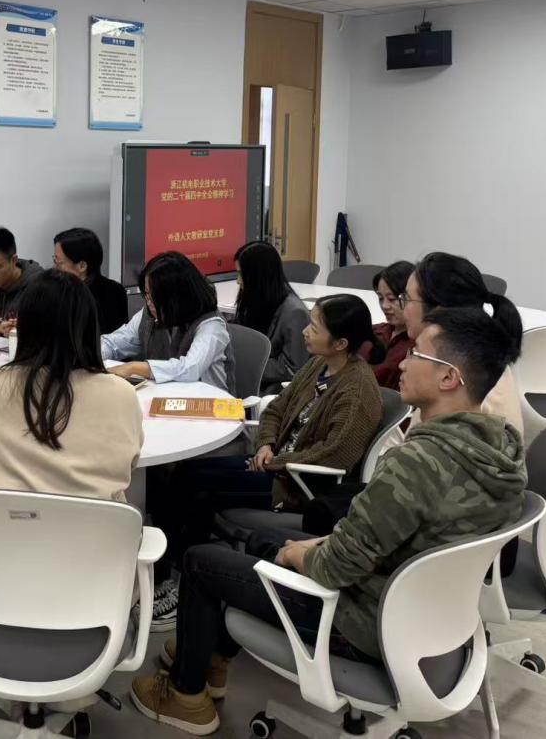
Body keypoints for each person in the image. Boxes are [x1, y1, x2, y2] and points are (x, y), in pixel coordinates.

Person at [130, 306, 527, 735]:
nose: (402, 363)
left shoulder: (416, 463)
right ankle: (209, 656)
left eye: (416, 354)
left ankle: (186, 697)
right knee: (262, 547)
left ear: (449, 378)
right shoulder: (502, 453)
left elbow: (335, 568)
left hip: (359, 622)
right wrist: (316, 546)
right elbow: (398, 537)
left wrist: (300, 554)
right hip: (427, 619)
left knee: (202, 561)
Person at [147, 294, 385, 630]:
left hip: (297, 484)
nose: (304, 332)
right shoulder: (319, 365)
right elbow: (276, 408)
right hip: (275, 464)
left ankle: (182, 575)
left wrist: (275, 461)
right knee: (187, 475)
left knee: (194, 483)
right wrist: (266, 444)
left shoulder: (357, 391)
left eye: (314, 328)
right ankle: (180, 568)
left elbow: (334, 454)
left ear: (341, 343)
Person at [0, 270, 143, 501]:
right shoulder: (121, 394)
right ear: (89, 327)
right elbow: (129, 464)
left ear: (25, 325)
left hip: (5, 521)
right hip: (94, 522)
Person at [401, 251, 525, 434]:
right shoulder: (475, 356)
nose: (402, 308)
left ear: (439, 310)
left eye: (406, 299)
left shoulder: (465, 384)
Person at [101, 252, 235, 392]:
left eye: (153, 297)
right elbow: (113, 343)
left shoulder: (211, 325)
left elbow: (190, 369)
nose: (148, 302)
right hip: (163, 395)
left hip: (208, 401)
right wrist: (94, 357)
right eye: (146, 294)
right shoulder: (149, 314)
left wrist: (134, 367)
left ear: (175, 298)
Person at [232, 241, 310, 391]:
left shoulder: (295, 313)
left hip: (271, 389)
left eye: (242, 274)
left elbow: (291, 368)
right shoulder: (254, 299)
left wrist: (246, 364)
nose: (238, 281)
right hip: (249, 379)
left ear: (259, 276)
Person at [53, 226, 128, 335]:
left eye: (59, 263)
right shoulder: (56, 289)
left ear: (82, 266)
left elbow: (113, 339)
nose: (55, 268)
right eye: (54, 260)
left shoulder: (112, 293)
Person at [369, 260, 416, 390]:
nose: (385, 306)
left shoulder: (419, 346)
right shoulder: (374, 331)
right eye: (380, 298)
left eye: (391, 299)